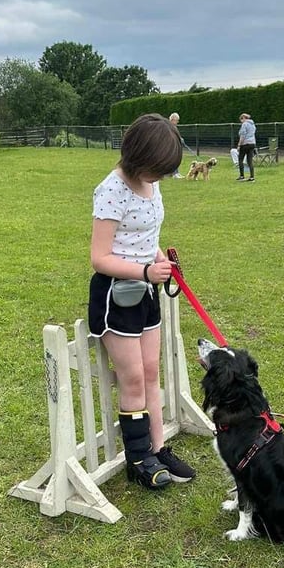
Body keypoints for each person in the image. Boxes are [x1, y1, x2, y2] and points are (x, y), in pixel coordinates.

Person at [89, 113, 196, 489]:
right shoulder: (112, 189)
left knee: (151, 371)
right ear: (139, 157)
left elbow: (146, 240)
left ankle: (158, 447)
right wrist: (144, 272)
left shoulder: (151, 186)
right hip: (116, 296)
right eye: (158, 169)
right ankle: (139, 458)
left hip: (145, 290)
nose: (162, 177)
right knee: (132, 377)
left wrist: (158, 260)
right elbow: (100, 257)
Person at [168, 112, 194, 177]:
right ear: (172, 119)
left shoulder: (174, 127)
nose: (177, 122)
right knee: (173, 160)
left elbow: (177, 135)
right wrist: (178, 139)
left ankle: (176, 173)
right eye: (177, 120)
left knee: (176, 159)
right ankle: (174, 174)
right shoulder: (169, 126)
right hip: (170, 146)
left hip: (176, 146)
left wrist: (180, 138)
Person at [236, 113, 257, 182]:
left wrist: (239, 145)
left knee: (240, 160)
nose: (241, 121)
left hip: (245, 144)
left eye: (241, 120)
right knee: (250, 161)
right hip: (252, 143)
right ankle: (252, 177)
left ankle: (242, 176)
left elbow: (243, 135)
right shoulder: (253, 125)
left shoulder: (244, 124)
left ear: (243, 118)